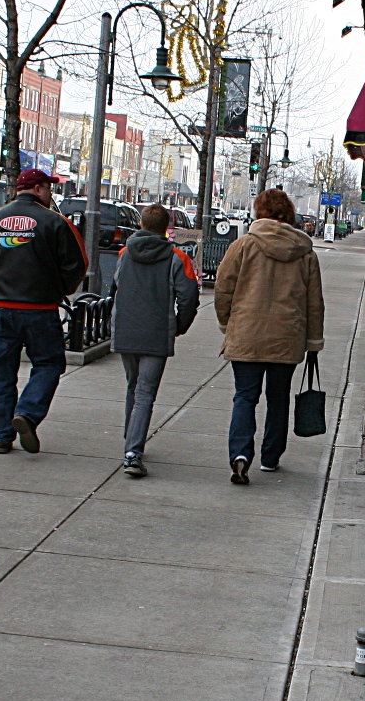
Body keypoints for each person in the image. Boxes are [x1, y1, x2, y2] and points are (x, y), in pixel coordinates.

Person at [0, 168, 86, 454]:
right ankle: (28, 413)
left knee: (2, 371)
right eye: (49, 188)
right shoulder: (55, 222)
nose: (50, 194)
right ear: (38, 189)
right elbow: (77, 265)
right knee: (49, 364)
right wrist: (59, 289)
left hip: (1, 307)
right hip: (40, 308)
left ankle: (1, 435)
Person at [214, 188, 324, 485]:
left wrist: (227, 322)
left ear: (259, 211)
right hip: (287, 337)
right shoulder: (305, 253)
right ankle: (271, 457)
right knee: (278, 398)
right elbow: (314, 302)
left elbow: (223, 288)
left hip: (246, 334)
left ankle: (240, 454)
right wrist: (314, 341)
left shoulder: (243, 246)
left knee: (245, 397)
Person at [111, 206, 201, 478]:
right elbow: (189, 297)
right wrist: (179, 326)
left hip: (127, 329)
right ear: (167, 228)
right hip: (156, 330)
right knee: (145, 392)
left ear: (141, 224)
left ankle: (131, 437)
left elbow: (116, 288)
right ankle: (133, 452)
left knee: (133, 385)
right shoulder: (177, 257)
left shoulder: (124, 254)